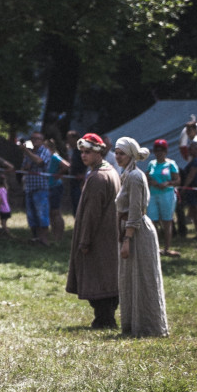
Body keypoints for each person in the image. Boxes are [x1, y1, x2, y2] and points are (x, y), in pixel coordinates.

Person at [114, 137, 169, 337]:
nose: (118, 156)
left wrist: (127, 239)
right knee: (130, 278)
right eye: (116, 152)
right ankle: (132, 325)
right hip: (128, 229)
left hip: (137, 232)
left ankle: (148, 326)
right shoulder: (126, 175)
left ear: (131, 155)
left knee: (143, 278)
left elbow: (136, 211)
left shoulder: (136, 177)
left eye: (122, 153)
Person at [66, 133, 121, 328]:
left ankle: (104, 318)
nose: (83, 155)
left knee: (98, 277)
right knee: (106, 276)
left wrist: (85, 240)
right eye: (81, 152)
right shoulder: (110, 171)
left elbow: (92, 213)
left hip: (99, 237)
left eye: (88, 152)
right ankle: (105, 317)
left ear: (98, 152)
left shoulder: (98, 177)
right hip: (108, 235)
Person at [145, 139, 180, 257]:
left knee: (167, 221)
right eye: (157, 150)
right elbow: (147, 176)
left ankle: (167, 248)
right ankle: (155, 247)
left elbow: (177, 180)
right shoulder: (152, 164)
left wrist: (167, 183)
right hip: (153, 194)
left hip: (167, 194)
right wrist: (151, 181)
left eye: (161, 150)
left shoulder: (171, 164)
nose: (159, 153)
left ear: (165, 151)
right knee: (152, 220)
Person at [20, 131, 51, 245]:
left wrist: (26, 151)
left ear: (42, 141)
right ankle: (35, 238)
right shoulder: (30, 152)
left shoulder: (44, 151)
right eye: (32, 138)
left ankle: (44, 240)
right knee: (31, 215)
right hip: (29, 187)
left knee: (41, 213)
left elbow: (39, 161)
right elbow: (23, 167)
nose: (34, 141)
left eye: (37, 139)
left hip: (41, 187)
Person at [180, 141, 197, 242]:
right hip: (195, 189)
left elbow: (191, 175)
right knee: (195, 212)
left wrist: (184, 187)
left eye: (191, 148)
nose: (189, 150)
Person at [45, 138, 69, 242]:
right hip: (48, 186)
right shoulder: (47, 157)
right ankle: (54, 235)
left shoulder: (54, 156)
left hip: (55, 187)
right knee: (51, 212)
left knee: (55, 212)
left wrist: (59, 174)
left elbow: (66, 165)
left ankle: (59, 236)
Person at [65, 130, 87, 214]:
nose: (68, 141)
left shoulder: (81, 151)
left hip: (81, 183)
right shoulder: (73, 151)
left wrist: (84, 175)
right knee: (75, 206)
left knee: (79, 206)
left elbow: (87, 164)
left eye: (69, 138)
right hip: (74, 182)